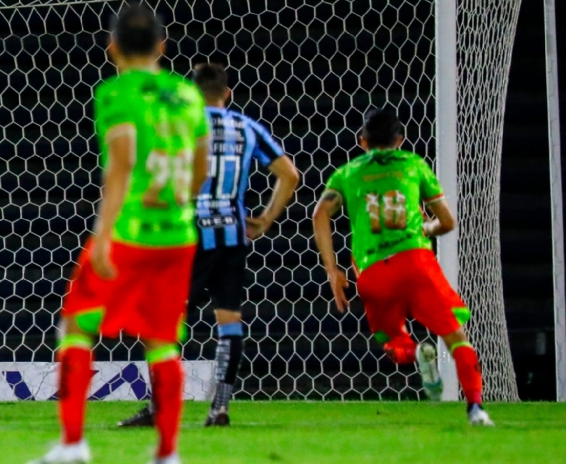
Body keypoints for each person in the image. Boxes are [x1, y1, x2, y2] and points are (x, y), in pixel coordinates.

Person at [26, 4, 209, 464]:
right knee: (163, 340)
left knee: (76, 328)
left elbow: (123, 162)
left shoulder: (115, 92)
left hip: (129, 233)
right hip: (178, 234)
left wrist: (103, 235)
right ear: (162, 47)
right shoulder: (189, 94)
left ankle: (72, 443)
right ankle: (167, 455)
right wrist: (180, 205)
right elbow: (201, 166)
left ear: (112, 50)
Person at [118, 63, 299, 430]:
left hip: (190, 235)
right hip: (232, 235)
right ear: (226, 94)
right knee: (229, 320)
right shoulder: (247, 128)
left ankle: (160, 408)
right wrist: (264, 219)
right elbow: (290, 175)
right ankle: (220, 408)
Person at [312, 109, 491, 425]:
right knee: (456, 337)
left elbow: (319, 215)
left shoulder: (347, 173)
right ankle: (476, 408)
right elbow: (447, 221)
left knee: (393, 342)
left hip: (373, 272)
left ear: (362, 141)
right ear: (400, 139)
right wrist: (427, 228)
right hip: (415, 262)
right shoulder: (414, 165)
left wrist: (333, 270)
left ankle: (414, 353)